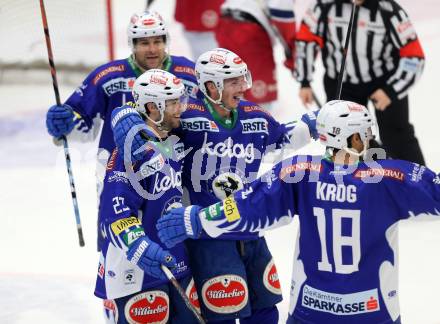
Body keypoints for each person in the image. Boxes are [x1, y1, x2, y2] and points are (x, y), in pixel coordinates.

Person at [157, 99, 440, 323]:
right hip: (374, 311)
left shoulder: (300, 172)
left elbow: (245, 206)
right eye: (364, 133)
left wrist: (197, 219)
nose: (368, 138)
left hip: (310, 310)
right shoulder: (389, 177)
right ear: (352, 138)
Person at [110, 48, 319, 323]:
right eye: (233, 81)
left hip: (249, 229)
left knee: (266, 308)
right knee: (222, 313)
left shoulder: (253, 116)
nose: (244, 87)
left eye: (242, 79)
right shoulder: (186, 116)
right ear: (211, 86)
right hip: (206, 235)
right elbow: (152, 112)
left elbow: (281, 138)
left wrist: (316, 122)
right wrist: (123, 115)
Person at [45, 10, 199, 248]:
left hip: (177, 166)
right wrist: (64, 123)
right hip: (121, 169)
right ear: (132, 44)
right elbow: (82, 122)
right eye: (144, 42)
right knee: (122, 237)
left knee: (177, 236)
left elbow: (210, 117)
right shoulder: (108, 77)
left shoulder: (188, 74)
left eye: (157, 41)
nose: (152, 49)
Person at [95, 69, 202, 323]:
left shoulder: (172, 138)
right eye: (174, 102)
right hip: (135, 269)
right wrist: (139, 247)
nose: (181, 108)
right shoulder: (129, 151)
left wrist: (124, 111)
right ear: (153, 107)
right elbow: (114, 212)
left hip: (174, 261)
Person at [295, 0, 425, 165]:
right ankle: (363, 182)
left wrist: (391, 90)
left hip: (384, 81)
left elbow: (414, 57)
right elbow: (305, 41)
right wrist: (304, 81)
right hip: (341, 82)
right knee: (348, 140)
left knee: (397, 136)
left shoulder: (389, 10)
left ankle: (420, 182)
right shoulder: (324, 6)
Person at [215, 0, 296, 109]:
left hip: (225, 23)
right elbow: (282, 17)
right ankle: (259, 123)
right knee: (259, 98)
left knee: (231, 89)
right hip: (250, 32)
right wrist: (294, 59)